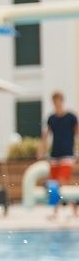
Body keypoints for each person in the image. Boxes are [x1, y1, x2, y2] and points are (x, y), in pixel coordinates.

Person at [39, 91, 78, 219]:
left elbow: (77, 133)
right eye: (55, 102)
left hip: (67, 154)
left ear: (62, 101)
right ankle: (56, 211)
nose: (57, 104)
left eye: (58, 101)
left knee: (63, 181)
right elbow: (46, 136)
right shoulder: (52, 118)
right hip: (55, 154)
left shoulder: (71, 117)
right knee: (54, 184)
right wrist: (41, 150)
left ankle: (73, 210)